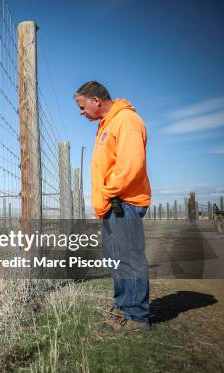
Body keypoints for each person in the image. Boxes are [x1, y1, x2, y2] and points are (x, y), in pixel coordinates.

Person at [74, 81, 152, 332]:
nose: (81, 112)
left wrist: (108, 193)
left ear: (96, 100)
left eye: (82, 105)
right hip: (113, 204)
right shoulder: (106, 125)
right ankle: (123, 309)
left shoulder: (126, 120)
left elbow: (131, 165)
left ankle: (137, 318)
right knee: (115, 259)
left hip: (124, 203)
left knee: (129, 258)